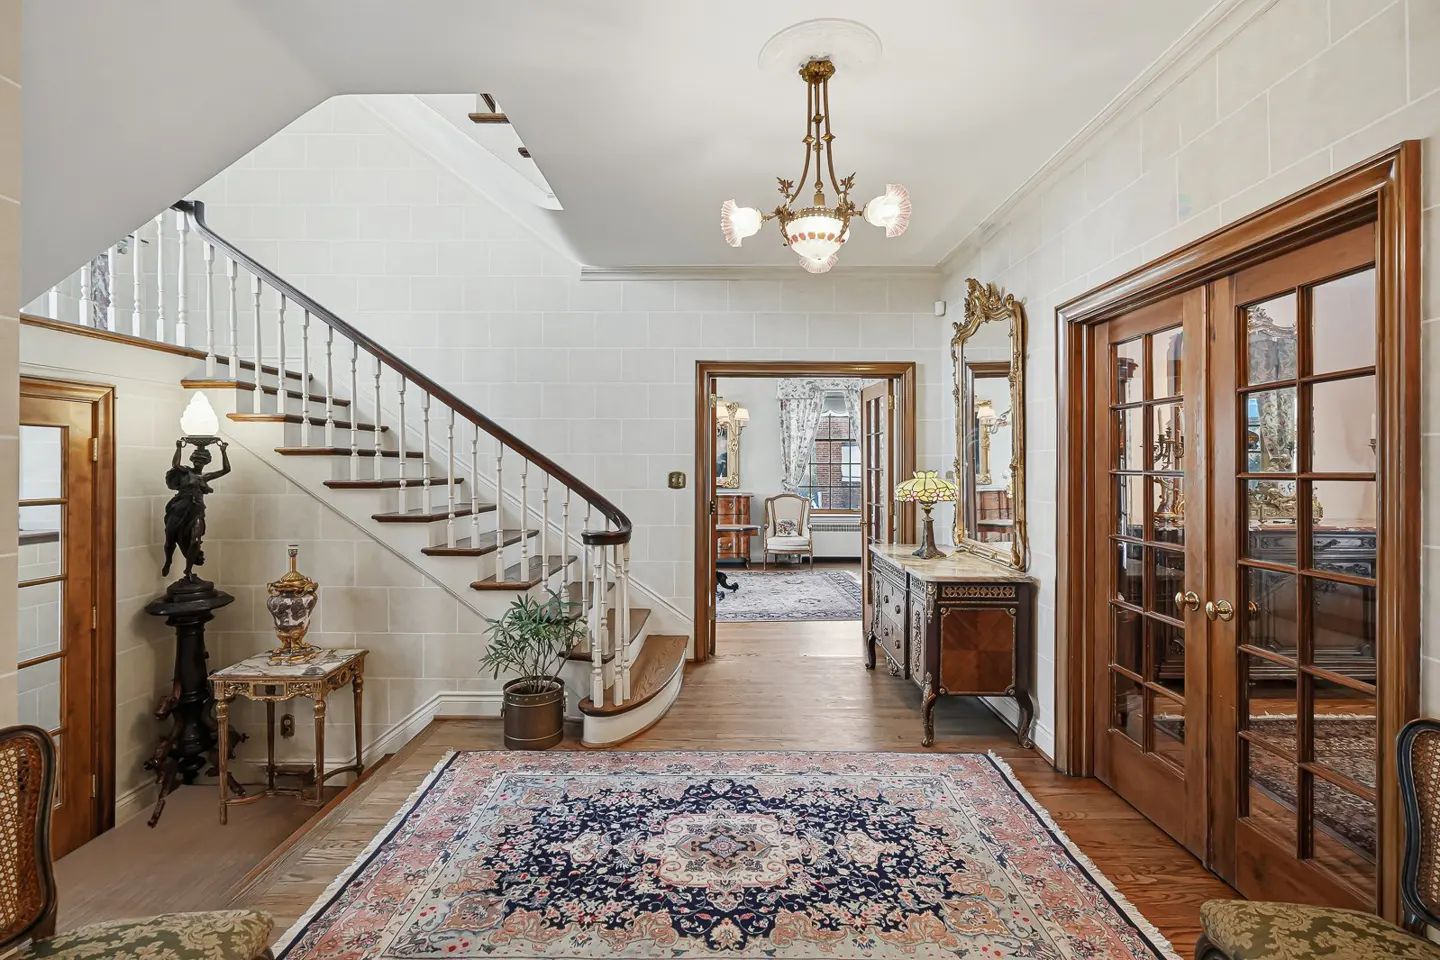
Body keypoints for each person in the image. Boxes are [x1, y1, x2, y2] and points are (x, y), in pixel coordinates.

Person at [160, 438, 231, 579]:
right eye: (197, 459)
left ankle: (188, 570)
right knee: (170, 537)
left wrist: (223, 451)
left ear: (206, 462)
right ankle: (168, 560)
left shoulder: (205, 477)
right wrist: (179, 448)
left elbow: (226, 470)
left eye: (202, 460)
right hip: (179, 508)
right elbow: (175, 464)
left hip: (196, 511)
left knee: (195, 540)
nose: (199, 462)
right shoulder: (185, 473)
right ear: (192, 460)